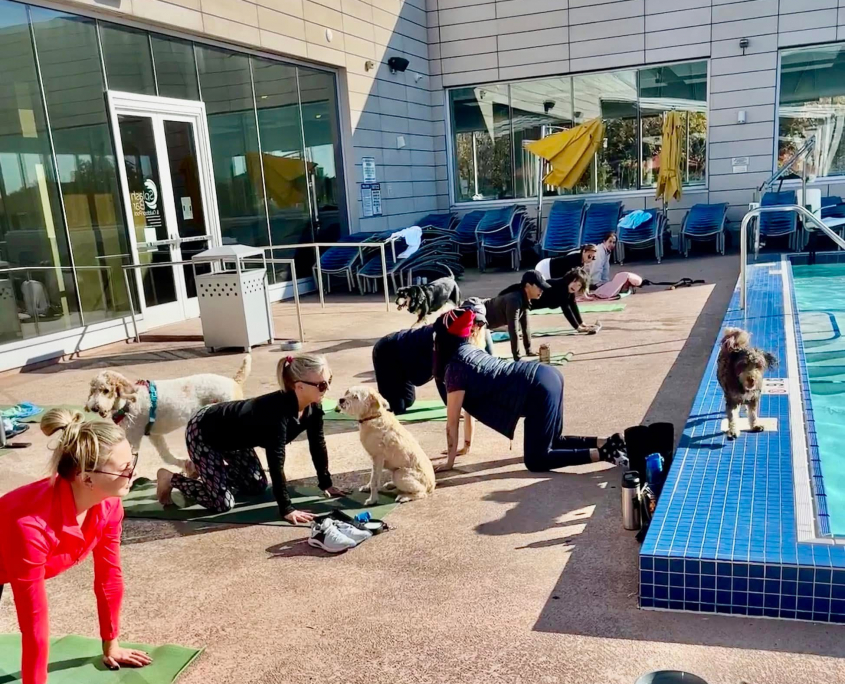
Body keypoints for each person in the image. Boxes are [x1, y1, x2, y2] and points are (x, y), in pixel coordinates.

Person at [0, 409, 152, 684]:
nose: (134, 473)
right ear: (87, 479)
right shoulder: (32, 526)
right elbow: (34, 621)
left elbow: (109, 577)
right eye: (124, 469)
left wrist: (111, 645)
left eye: (132, 462)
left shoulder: (109, 505)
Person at [155, 353, 345, 525]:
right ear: (299, 386)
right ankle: (171, 478)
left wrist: (326, 483)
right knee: (222, 503)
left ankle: (201, 468)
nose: (327, 388)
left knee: (256, 486)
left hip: (237, 438)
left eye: (329, 380)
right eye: (322, 384)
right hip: (204, 431)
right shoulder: (277, 415)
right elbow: (276, 464)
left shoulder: (314, 408)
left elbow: (317, 444)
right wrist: (287, 508)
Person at [432, 308, 626, 473]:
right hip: (548, 375)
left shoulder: (455, 368)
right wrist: (466, 444)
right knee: (554, 441)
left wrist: (449, 462)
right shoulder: (473, 349)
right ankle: (608, 442)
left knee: (536, 460)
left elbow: (452, 423)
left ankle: (604, 454)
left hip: (536, 389)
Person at [499, 268, 594, 333]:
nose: (575, 286)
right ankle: (496, 326)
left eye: (579, 285)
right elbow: (566, 309)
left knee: (516, 325)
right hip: (512, 296)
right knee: (512, 327)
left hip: (522, 304)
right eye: (574, 282)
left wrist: (582, 323)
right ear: (569, 279)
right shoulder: (562, 288)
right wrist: (577, 328)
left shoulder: (568, 291)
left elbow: (573, 305)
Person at [483, 270, 551, 361]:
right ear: (528, 286)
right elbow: (513, 329)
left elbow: (525, 326)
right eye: (539, 287)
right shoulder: (514, 300)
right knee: (489, 357)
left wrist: (528, 350)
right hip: (477, 322)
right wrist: (517, 358)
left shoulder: (524, 298)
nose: (541, 291)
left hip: (486, 326)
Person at [590, 232, 642, 298]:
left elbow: (606, 268)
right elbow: (596, 268)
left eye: (614, 242)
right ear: (604, 241)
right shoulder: (600, 251)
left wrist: (605, 282)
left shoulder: (606, 251)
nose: (612, 244)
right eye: (610, 241)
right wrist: (597, 284)